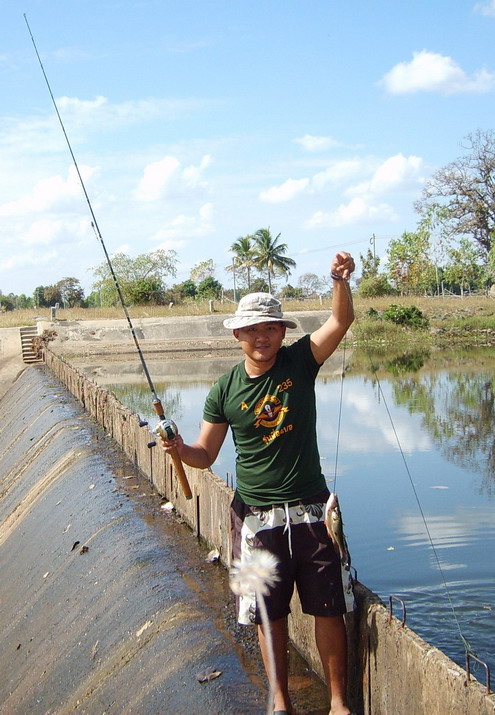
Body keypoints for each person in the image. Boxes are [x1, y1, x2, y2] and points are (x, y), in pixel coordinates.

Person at [161, 251, 355, 715]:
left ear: (282, 332)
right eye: (252, 329)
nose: (262, 336)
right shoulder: (223, 390)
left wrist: (339, 281)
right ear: (237, 335)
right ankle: (280, 701)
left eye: (270, 327)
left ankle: (338, 704)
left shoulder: (300, 362)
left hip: (312, 512)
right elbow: (205, 456)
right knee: (267, 614)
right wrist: (178, 450)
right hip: (252, 520)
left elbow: (340, 321)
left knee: (330, 607)